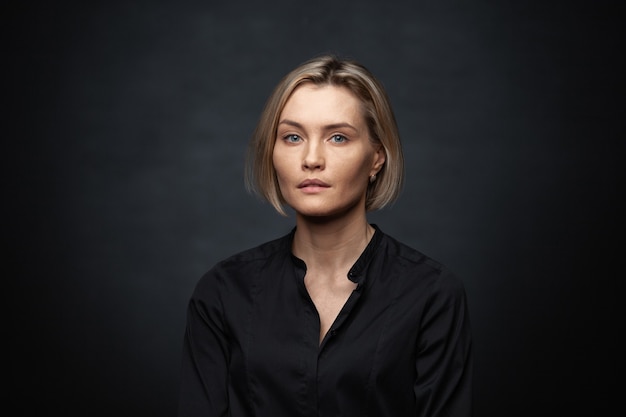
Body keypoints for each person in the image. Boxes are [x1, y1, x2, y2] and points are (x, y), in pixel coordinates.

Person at [178, 55, 473, 417]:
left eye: (337, 137)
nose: (311, 158)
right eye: (292, 137)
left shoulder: (431, 294)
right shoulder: (223, 292)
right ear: (272, 153)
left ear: (377, 157)